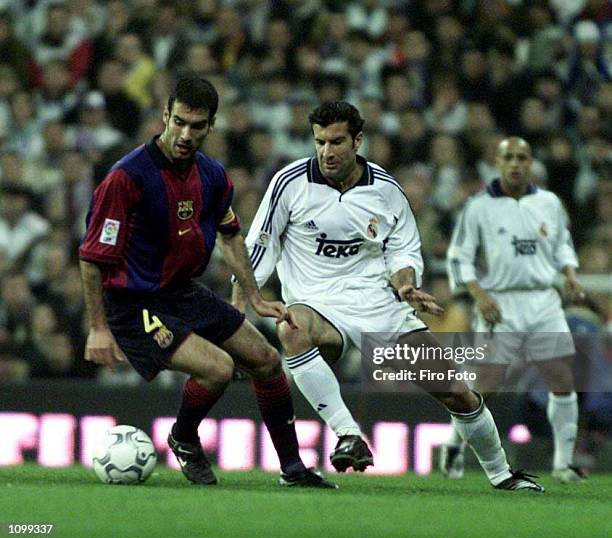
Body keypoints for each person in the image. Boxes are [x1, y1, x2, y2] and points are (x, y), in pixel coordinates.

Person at [233, 101, 543, 491]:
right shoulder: (289, 182)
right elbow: (258, 248)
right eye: (319, 142)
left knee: (457, 393)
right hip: (316, 303)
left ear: (358, 140)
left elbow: (403, 251)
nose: (327, 152)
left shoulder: (386, 191)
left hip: (379, 307)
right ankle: (348, 434)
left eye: (337, 142)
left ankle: (502, 475)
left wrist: (405, 285)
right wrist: (240, 306)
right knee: (292, 328)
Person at [78, 75, 335, 489]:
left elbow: (231, 233)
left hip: (181, 292)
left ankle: (293, 469)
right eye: (178, 121)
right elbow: (92, 258)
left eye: (197, 126)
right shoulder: (126, 178)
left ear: (211, 126)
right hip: (132, 303)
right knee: (217, 369)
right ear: (165, 115)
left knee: (268, 361)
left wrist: (253, 295)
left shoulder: (213, 176)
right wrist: (98, 328)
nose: (185, 134)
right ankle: (183, 438)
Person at [443, 136, 586, 483]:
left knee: (562, 379)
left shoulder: (549, 202)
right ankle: (452, 445)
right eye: (509, 158)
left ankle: (563, 464)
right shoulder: (479, 206)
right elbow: (459, 257)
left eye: (522, 157)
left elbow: (563, 246)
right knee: (486, 384)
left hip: (543, 300)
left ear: (531, 161)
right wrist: (480, 296)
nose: (516, 164)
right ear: (498, 162)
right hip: (501, 303)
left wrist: (569, 275)